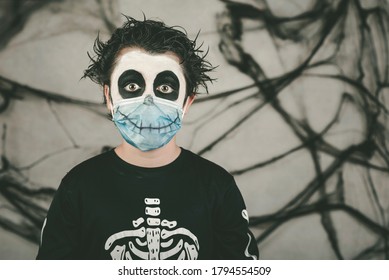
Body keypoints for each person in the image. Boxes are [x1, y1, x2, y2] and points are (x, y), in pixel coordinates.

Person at [36, 16, 259, 260]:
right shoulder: (78, 188)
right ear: (109, 97)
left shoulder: (217, 187)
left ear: (186, 102)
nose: (148, 102)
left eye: (165, 88)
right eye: (132, 86)